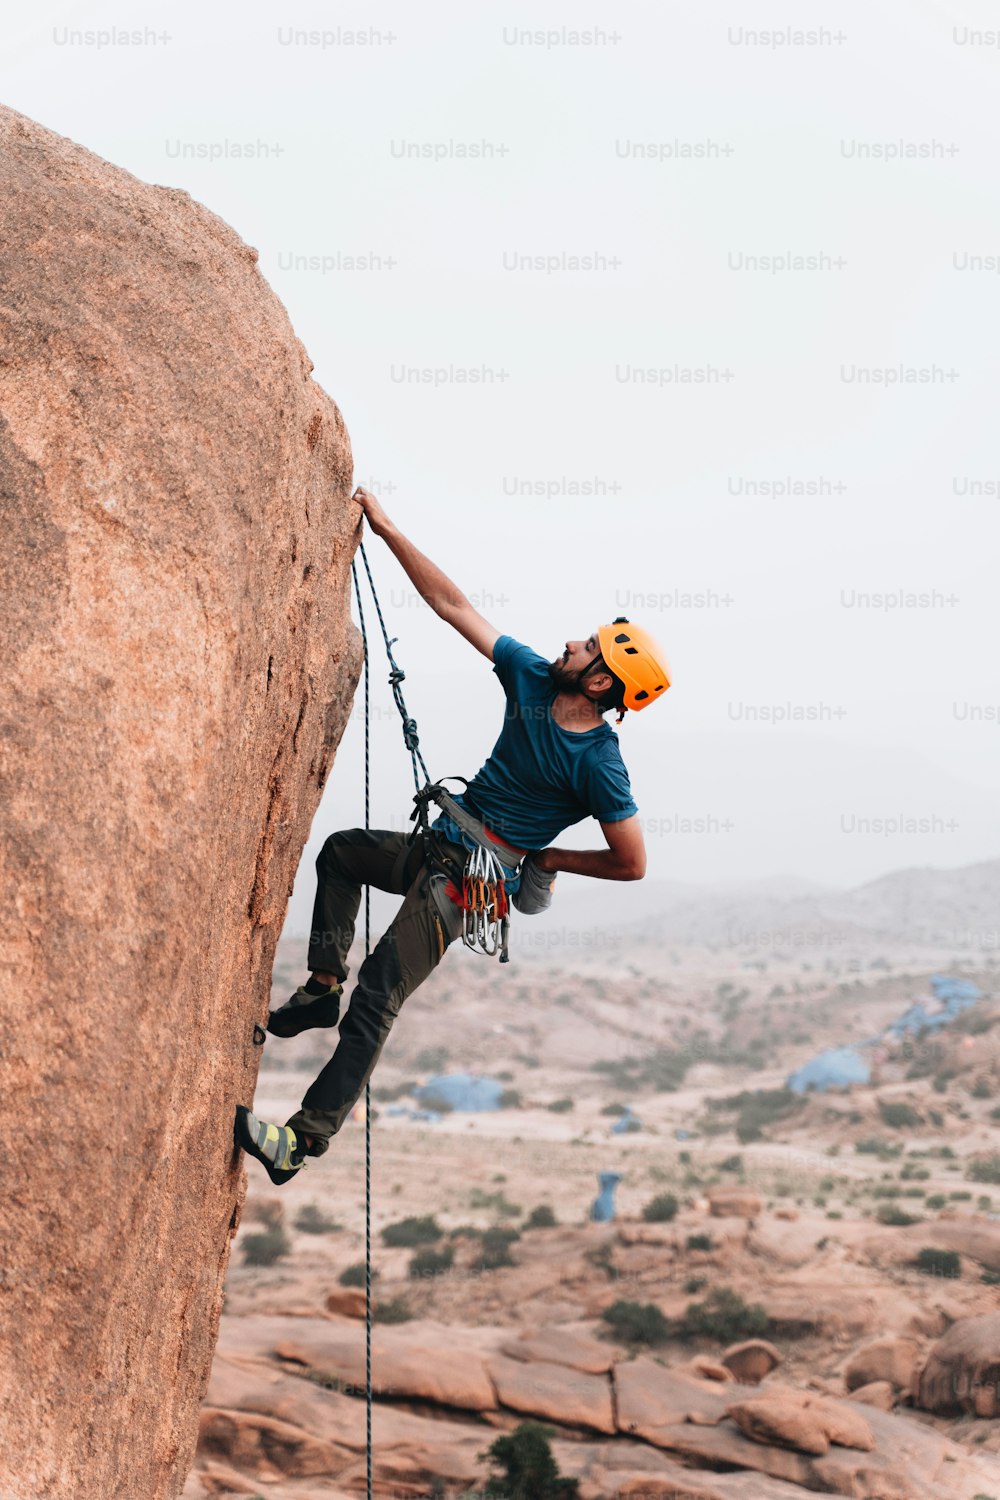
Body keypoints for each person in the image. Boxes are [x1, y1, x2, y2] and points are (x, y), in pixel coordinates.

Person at [235, 487, 670, 1183]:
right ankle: (320, 987)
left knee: (379, 997)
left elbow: (633, 863)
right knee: (342, 852)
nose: (568, 642)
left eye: (585, 646)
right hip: (436, 848)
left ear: (599, 683)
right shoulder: (532, 677)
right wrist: (386, 530)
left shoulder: (599, 766)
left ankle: (300, 1142)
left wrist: (550, 857)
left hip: (467, 889)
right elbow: (454, 605)